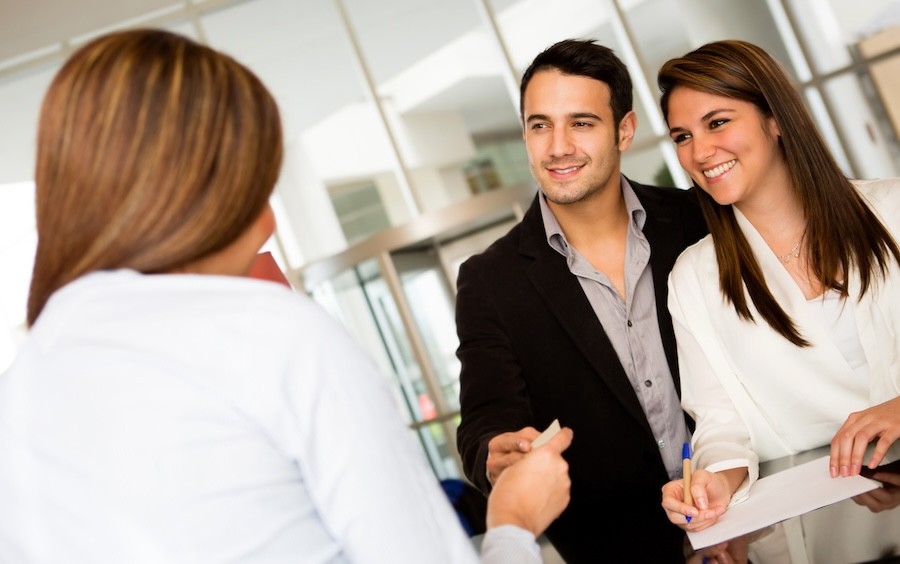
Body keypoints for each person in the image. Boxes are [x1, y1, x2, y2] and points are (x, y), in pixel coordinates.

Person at [0, 28, 576, 564]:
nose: (269, 222)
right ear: (192, 195)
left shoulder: (30, 376)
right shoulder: (271, 334)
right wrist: (514, 521)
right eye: (249, 189)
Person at [454, 38, 708, 562]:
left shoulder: (697, 222)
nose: (557, 146)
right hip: (618, 548)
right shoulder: (489, 280)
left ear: (625, 131)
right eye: (539, 124)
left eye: (582, 123)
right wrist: (494, 455)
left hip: (752, 519)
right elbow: (485, 421)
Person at [656, 39, 900, 560]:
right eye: (682, 136)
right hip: (828, 538)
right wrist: (714, 483)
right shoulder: (695, 278)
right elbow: (721, 425)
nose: (699, 152)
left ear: (775, 119)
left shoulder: (893, 211)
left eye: (718, 122)